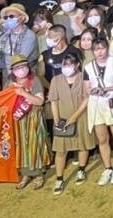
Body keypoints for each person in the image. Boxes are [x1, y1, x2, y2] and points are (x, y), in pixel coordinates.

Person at [48, 51, 93, 194]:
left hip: (80, 117)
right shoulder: (56, 80)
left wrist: (75, 116)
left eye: (70, 64)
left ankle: (81, 169)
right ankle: (59, 178)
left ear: (77, 65)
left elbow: (87, 98)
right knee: (60, 150)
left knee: (83, 145)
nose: (66, 67)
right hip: (62, 118)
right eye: (64, 64)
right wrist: (56, 120)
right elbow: (53, 101)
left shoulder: (83, 78)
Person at [84, 36, 113, 185]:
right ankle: (107, 167)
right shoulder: (88, 67)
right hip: (97, 105)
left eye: (102, 48)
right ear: (92, 51)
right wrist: (94, 91)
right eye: (96, 49)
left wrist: (106, 89)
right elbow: (87, 87)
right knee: (102, 139)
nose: (99, 52)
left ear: (107, 48)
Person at [8, 54, 51, 189]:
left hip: (33, 117)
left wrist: (24, 93)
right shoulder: (9, 84)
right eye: (17, 68)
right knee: (21, 145)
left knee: (35, 144)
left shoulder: (35, 80)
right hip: (18, 120)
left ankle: (38, 174)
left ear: (28, 67)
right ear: (13, 71)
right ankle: (25, 173)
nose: (21, 70)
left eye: (23, 66)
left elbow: (40, 100)